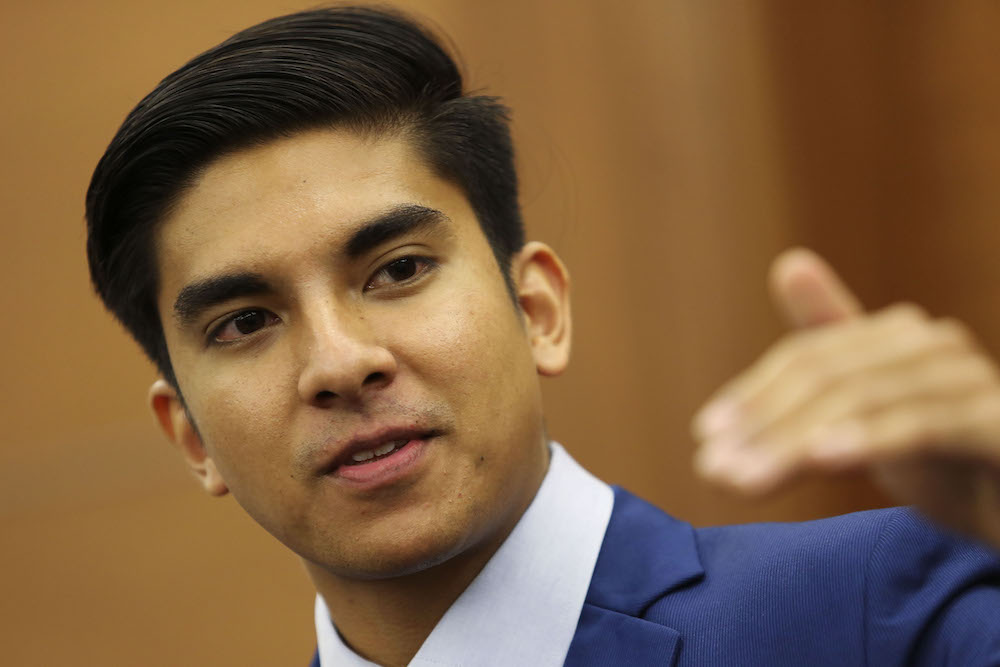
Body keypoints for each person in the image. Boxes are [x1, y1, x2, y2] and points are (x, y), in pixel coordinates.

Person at [85, 6, 1000, 666]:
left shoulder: (886, 610)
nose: (339, 361)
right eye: (245, 322)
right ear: (191, 436)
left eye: (397, 270)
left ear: (539, 311)